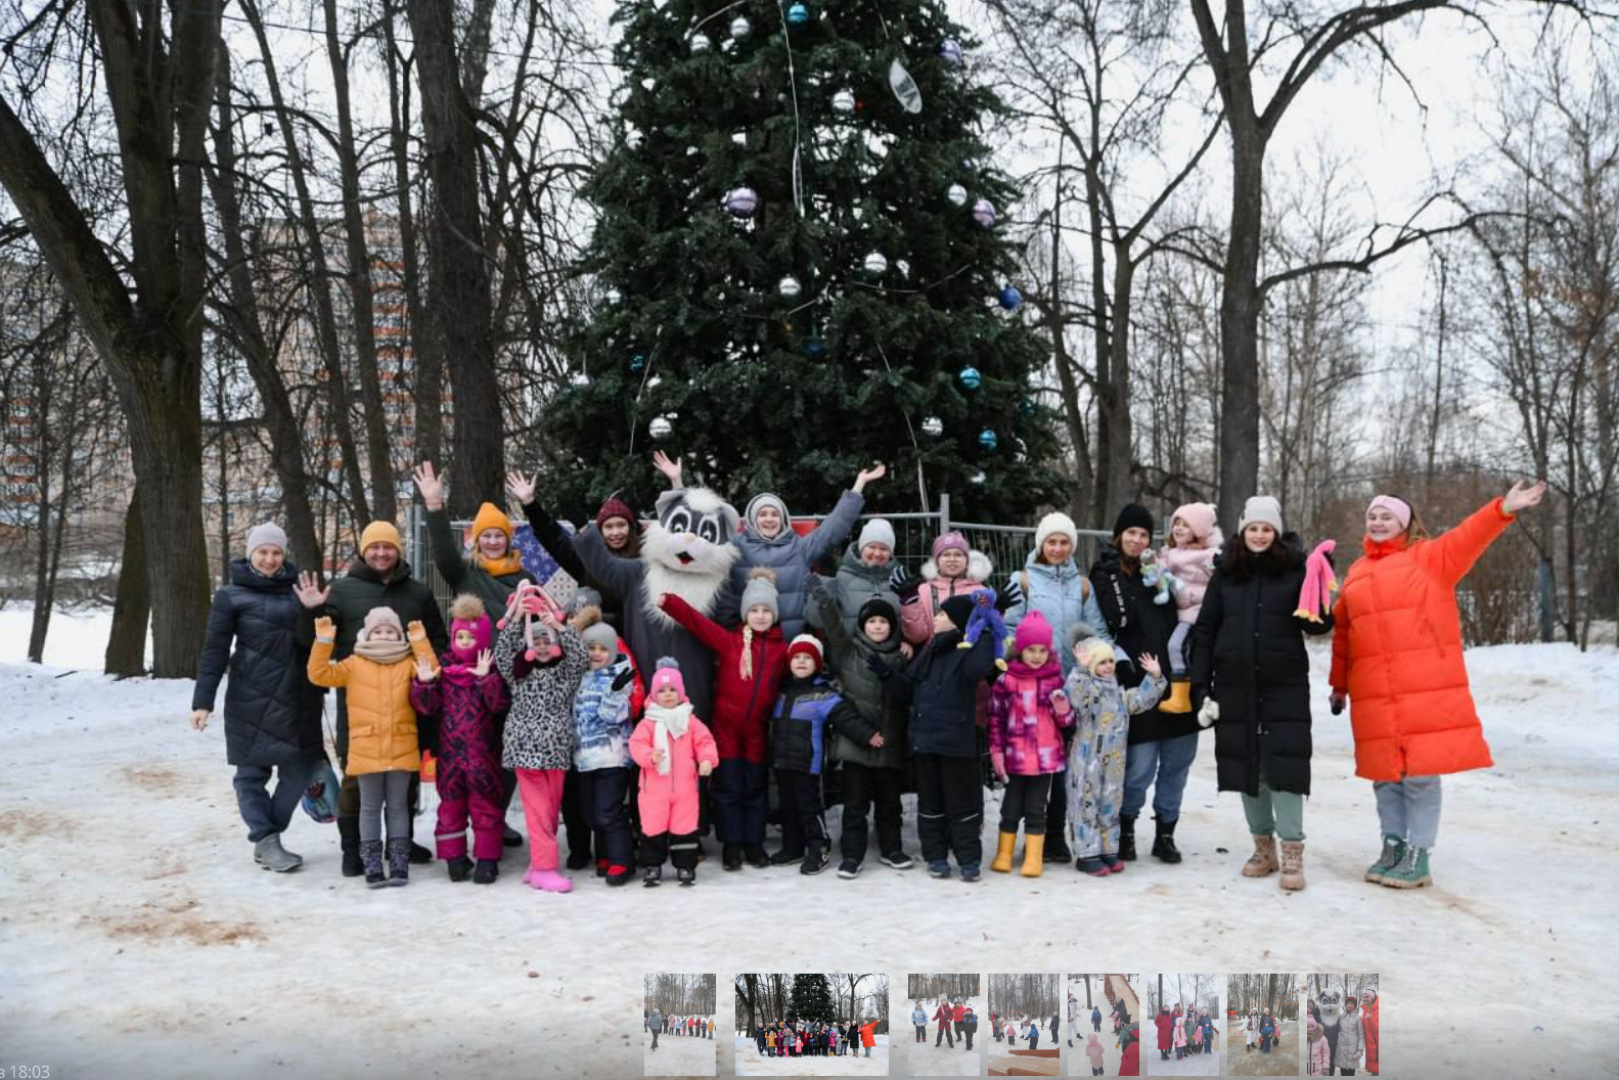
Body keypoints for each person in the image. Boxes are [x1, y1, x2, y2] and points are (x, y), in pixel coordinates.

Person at [1331, 480, 1547, 888]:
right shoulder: (1357, 572)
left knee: (1419, 776)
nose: (1378, 522)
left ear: (1405, 523)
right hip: (1374, 693)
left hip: (1422, 690)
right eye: (1372, 516)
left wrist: (1503, 508)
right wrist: (1339, 685)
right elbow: (1345, 634)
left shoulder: (1429, 559)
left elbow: (1469, 536)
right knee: (1384, 776)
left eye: (1387, 517)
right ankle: (1393, 845)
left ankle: (1419, 854)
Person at [1193, 495, 1335, 890]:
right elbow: (1206, 629)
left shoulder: (1295, 569)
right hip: (1235, 684)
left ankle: (1292, 851)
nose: (1259, 535)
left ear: (1276, 532)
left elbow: (1319, 625)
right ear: (1243, 531)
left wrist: (1319, 582)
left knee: (1285, 767)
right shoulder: (1226, 573)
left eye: (1266, 528)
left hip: (1283, 684)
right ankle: (1263, 848)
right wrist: (1201, 683)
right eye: (1253, 528)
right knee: (1247, 766)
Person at [295, 520, 447, 875]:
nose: (381, 553)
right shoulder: (342, 591)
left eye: (388, 546)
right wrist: (313, 611)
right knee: (356, 780)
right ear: (364, 551)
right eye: (374, 547)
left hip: (408, 699)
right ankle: (353, 849)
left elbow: (437, 639)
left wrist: (428, 673)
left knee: (404, 779)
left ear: (398, 550)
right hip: (359, 701)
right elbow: (312, 641)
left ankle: (401, 843)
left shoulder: (418, 593)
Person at [191, 523, 328, 872]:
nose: (270, 559)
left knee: (299, 770)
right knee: (252, 774)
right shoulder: (230, 596)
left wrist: (312, 610)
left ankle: (267, 836)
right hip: (251, 697)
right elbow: (214, 651)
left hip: (299, 696)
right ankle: (266, 840)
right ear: (251, 553)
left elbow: (314, 643)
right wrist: (203, 702)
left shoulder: (300, 591)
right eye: (263, 552)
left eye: (276, 552)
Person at [415, 466, 533, 850]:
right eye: (487, 536)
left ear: (508, 539)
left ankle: (494, 818)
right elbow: (443, 553)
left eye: (499, 535)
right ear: (477, 541)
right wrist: (435, 505)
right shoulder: (466, 573)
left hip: (511, 678)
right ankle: (460, 821)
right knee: (472, 753)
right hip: (469, 682)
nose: (494, 541)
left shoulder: (524, 578)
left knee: (506, 751)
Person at [654, 451, 884, 639]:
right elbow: (696, 528)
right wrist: (677, 483)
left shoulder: (800, 548)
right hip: (747, 645)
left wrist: (858, 486)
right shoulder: (735, 546)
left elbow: (833, 529)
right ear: (753, 519)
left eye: (775, 514)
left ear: (783, 519)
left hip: (790, 646)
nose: (769, 519)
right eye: (762, 514)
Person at [1090, 504, 1202, 868]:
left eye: (1143, 534)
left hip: (1179, 681)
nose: (1137, 540)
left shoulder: (1160, 570)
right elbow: (1116, 619)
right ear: (1118, 535)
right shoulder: (1105, 573)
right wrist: (1114, 571)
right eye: (1131, 533)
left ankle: (1165, 833)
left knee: (1177, 765)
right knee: (1139, 767)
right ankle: (1125, 829)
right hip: (1138, 684)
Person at [657, 569, 787, 871]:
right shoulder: (731, 642)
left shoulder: (782, 649)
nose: (760, 616)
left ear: (775, 615)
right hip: (726, 730)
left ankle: (753, 843)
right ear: (745, 614)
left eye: (766, 610)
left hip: (756, 732)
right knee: (728, 789)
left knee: (755, 788)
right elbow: (698, 624)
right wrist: (671, 603)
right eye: (754, 610)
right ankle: (732, 844)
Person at [1004, 511, 1112, 863]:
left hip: (1071, 691)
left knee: (1064, 766)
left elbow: (1095, 631)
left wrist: (1109, 661)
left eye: (1064, 542)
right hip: (1031, 690)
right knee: (1032, 766)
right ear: (1041, 544)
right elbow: (1009, 628)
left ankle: (1053, 835)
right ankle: (1027, 834)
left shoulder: (1082, 586)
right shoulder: (1022, 581)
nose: (1057, 548)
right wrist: (1013, 664)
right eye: (1051, 541)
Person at [870, 592, 1000, 881]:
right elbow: (908, 688)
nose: (936, 618)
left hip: (957, 743)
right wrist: (886, 674)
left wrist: (985, 627)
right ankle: (936, 857)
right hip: (925, 742)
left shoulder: (970, 648)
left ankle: (968, 859)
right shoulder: (931, 649)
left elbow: (979, 669)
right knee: (930, 805)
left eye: (942, 614)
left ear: (957, 622)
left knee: (962, 804)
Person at [308, 608, 438, 886]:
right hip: (366, 749)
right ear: (367, 635)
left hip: (402, 746)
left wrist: (419, 640)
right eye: (378, 631)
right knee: (368, 807)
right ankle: (372, 864)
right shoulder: (354, 664)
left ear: (399, 635)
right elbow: (319, 674)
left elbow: (432, 670)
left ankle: (399, 862)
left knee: (399, 807)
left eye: (390, 631)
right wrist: (323, 641)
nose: (384, 635)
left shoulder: (408, 662)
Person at [811, 587, 915, 877]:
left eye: (883, 622)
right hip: (855, 744)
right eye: (872, 621)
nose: (877, 626)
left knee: (889, 803)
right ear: (862, 625)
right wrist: (825, 603)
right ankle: (852, 855)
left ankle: (892, 849)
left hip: (889, 743)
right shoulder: (849, 652)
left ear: (892, 627)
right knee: (854, 805)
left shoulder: (900, 656)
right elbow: (834, 630)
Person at [494, 583, 589, 893]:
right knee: (536, 810)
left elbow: (579, 657)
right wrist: (515, 618)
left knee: (548, 810)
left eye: (548, 640)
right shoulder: (518, 674)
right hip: (524, 750)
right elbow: (502, 651)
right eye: (537, 641)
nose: (543, 646)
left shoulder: (565, 675)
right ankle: (545, 870)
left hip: (556, 752)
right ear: (528, 645)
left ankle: (537, 862)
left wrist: (559, 627)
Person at [409, 595, 509, 884]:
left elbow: (499, 705)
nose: (464, 642)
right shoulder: (442, 671)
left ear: (483, 640)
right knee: (450, 808)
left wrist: (485, 678)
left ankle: (487, 860)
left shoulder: (490, 670)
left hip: (483, 758)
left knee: (485, 807)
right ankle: (454, 859)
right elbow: (427, 707)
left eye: (471, 637)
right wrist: (424, 684)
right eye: (459, 636)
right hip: (450, 758)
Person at [767, 635, 883, 874]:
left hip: (807, 764)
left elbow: (846, 718)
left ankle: (818, 849)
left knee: (808, 808)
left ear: (817, 664)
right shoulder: (781, 692)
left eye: (807, 658)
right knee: (788, 808)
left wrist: (867, 735)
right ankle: (792, 848)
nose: (801, 662)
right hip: (782, 762)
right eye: (796, 657)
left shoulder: (823, 695)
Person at [1067, 634, 1165, 874]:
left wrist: (1154, 677)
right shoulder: (1089, 689)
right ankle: (1087, 854)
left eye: (1111, 661)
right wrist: (1081, 670)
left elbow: (1141, 700)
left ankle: (1107, 849)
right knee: (1086, 805)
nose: (1108, 666)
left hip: (1114, 764)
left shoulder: (1120, 694)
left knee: (1110, 805)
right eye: (1102, 662)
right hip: (1087, 762)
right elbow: (1076, 699)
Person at [988, 611, 1073, 877]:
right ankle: (1004, 853)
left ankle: (1034, 857)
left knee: (1037, 809)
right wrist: (997, 753)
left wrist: (1062, 709)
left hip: (1044, 761)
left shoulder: (1056, 681)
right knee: (1010, 808)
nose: (1037, 656)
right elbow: (996, 720)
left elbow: (1067, 723)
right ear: (1020, 650)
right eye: (1031, 650)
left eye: (1042, 650)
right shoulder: (1006, 681)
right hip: (1015, 759)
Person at [568, 606, 641, 885]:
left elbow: (613, 716)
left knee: (608, 811)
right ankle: (605, 855)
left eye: (602, 649)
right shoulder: (580, 677)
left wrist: (614, 693)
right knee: (590, 811)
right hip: (584, 758)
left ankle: (623, 860)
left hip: (612, 758)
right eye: (591, 648)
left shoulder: (619, 678)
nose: (596, 653)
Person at [629, 659, 718, 886]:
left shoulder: (690, 721)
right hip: (653, 790)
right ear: (654, 695)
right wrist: (649, 756)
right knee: (652, 827)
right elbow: (636, 745)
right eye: (662, 690)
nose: (667, 694)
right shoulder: (648, 723)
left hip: (685, 788)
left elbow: (705, 742)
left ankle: (685, 865)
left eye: (672, 690)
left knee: (684, 827)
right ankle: (652, 865)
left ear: (681, 693)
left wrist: (707, 759)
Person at [1155, 502, 1223, 713]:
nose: (1178, 528)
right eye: (1177, 523)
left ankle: (1181, 696)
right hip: (1176, 612)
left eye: (1186, 525)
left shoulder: (1209, 556)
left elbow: (1216, 588)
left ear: (1199, 530)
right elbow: (1160, 572)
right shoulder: (1170, 552)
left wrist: (1188, 595)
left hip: (1195, 613)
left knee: (1176, 646)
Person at [805, 518, 904, 642]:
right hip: (851, 650)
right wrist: (818, 598)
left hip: (891, 651)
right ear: (862, 548)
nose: (877, 553)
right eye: (872, 547)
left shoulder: (899, 579)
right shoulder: (843, 578)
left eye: (884, 549)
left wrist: (906, 642)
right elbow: (817, 621)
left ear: (890, 552)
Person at [898, 531, 994, 646]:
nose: (952, 559)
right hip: (932, 654)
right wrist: (910, 604)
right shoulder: (924, 590)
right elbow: (917, 636)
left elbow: (988, 630)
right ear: (937, 561)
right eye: (946, 555)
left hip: (968, 653)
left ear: (967, 561)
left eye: (958, 555)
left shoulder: (980, 591)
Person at [1332, 995, 1363, 1075]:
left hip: (1353, 1050)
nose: (1350, 1005)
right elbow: (1337, 1030)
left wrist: (1360, 1049)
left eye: (1352, 1003)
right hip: (1341, 1048)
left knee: (1351, 1073)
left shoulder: (1358, 1018)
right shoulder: (1341, 1017)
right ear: (1346, 1005)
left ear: (1355, 1005)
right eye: (1348, 1003)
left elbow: (1361, 1035)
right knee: (1343, 1072)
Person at [1359, 987, 1379, 1074]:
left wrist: (1370, 1019)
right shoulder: (1365, 1009)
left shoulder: (1378, 1009)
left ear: (1372, 997)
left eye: (1367, 997)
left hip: (1377, 1046)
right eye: (1363, 997)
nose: (1365, 999)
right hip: (1370, 1046)